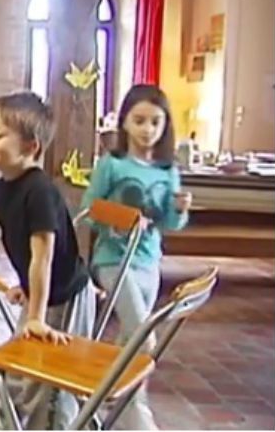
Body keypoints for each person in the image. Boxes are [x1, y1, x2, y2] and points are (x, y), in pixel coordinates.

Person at [0, 92, 96, 430]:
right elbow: (23, 250)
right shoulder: (1, 190)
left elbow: (43, 258)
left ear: (31, 147)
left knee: (53, 383)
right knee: (25, 371)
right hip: (42, 294)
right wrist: (25, 287)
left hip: (65, 297)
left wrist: (37, 316)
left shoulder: (41, 191)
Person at [81, 84, 192, 430]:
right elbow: (90, 211)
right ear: (125, 123)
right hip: (113, 261)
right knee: (146, 338)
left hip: (148, 263)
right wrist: (124, 219)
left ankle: (99, 405)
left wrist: (179, 210)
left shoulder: (167, 171)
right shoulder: (111, 166)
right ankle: (138, 416)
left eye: (155, 122)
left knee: (128, 340)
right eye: (140, 120)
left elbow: (169, 224)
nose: (147, 130)